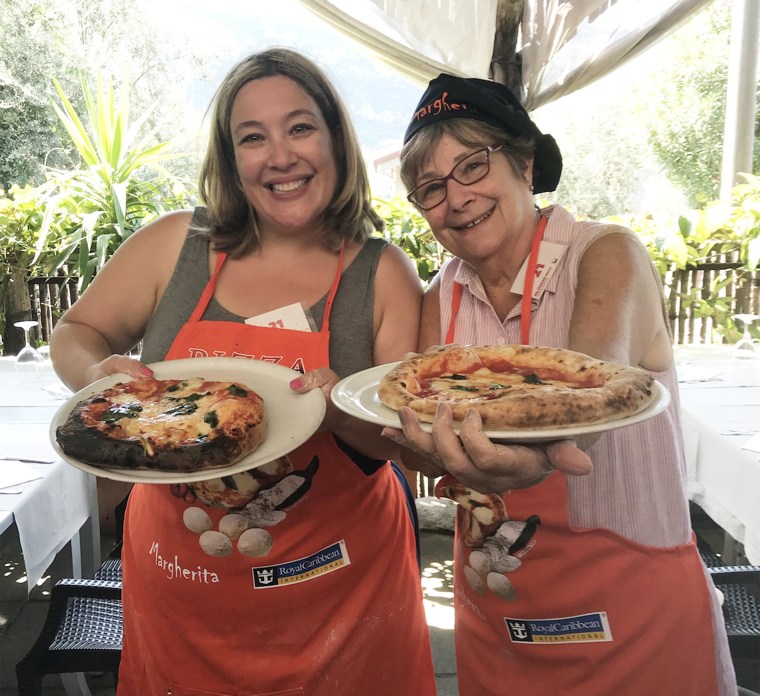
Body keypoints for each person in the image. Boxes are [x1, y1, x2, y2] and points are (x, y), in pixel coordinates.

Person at [49, 48, 437, 695]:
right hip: (185, 587)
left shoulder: (384, 273)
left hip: (339, 596)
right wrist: (97, 371)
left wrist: (337, 408)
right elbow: (75, 333)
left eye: (300, 127)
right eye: (252, 138)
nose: (280, 155)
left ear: (337, 141)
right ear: (231, 162)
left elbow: (404, 440)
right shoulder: (174, 246)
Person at [383, 73, 737, 695]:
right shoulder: (441, 294)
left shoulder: (604, 254)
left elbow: (584, 411)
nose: (455, 199)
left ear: (524, 162)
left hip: (634, 618)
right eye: (430, 188)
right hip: (501, 610)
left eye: (472, 166)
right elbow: (414, 432)